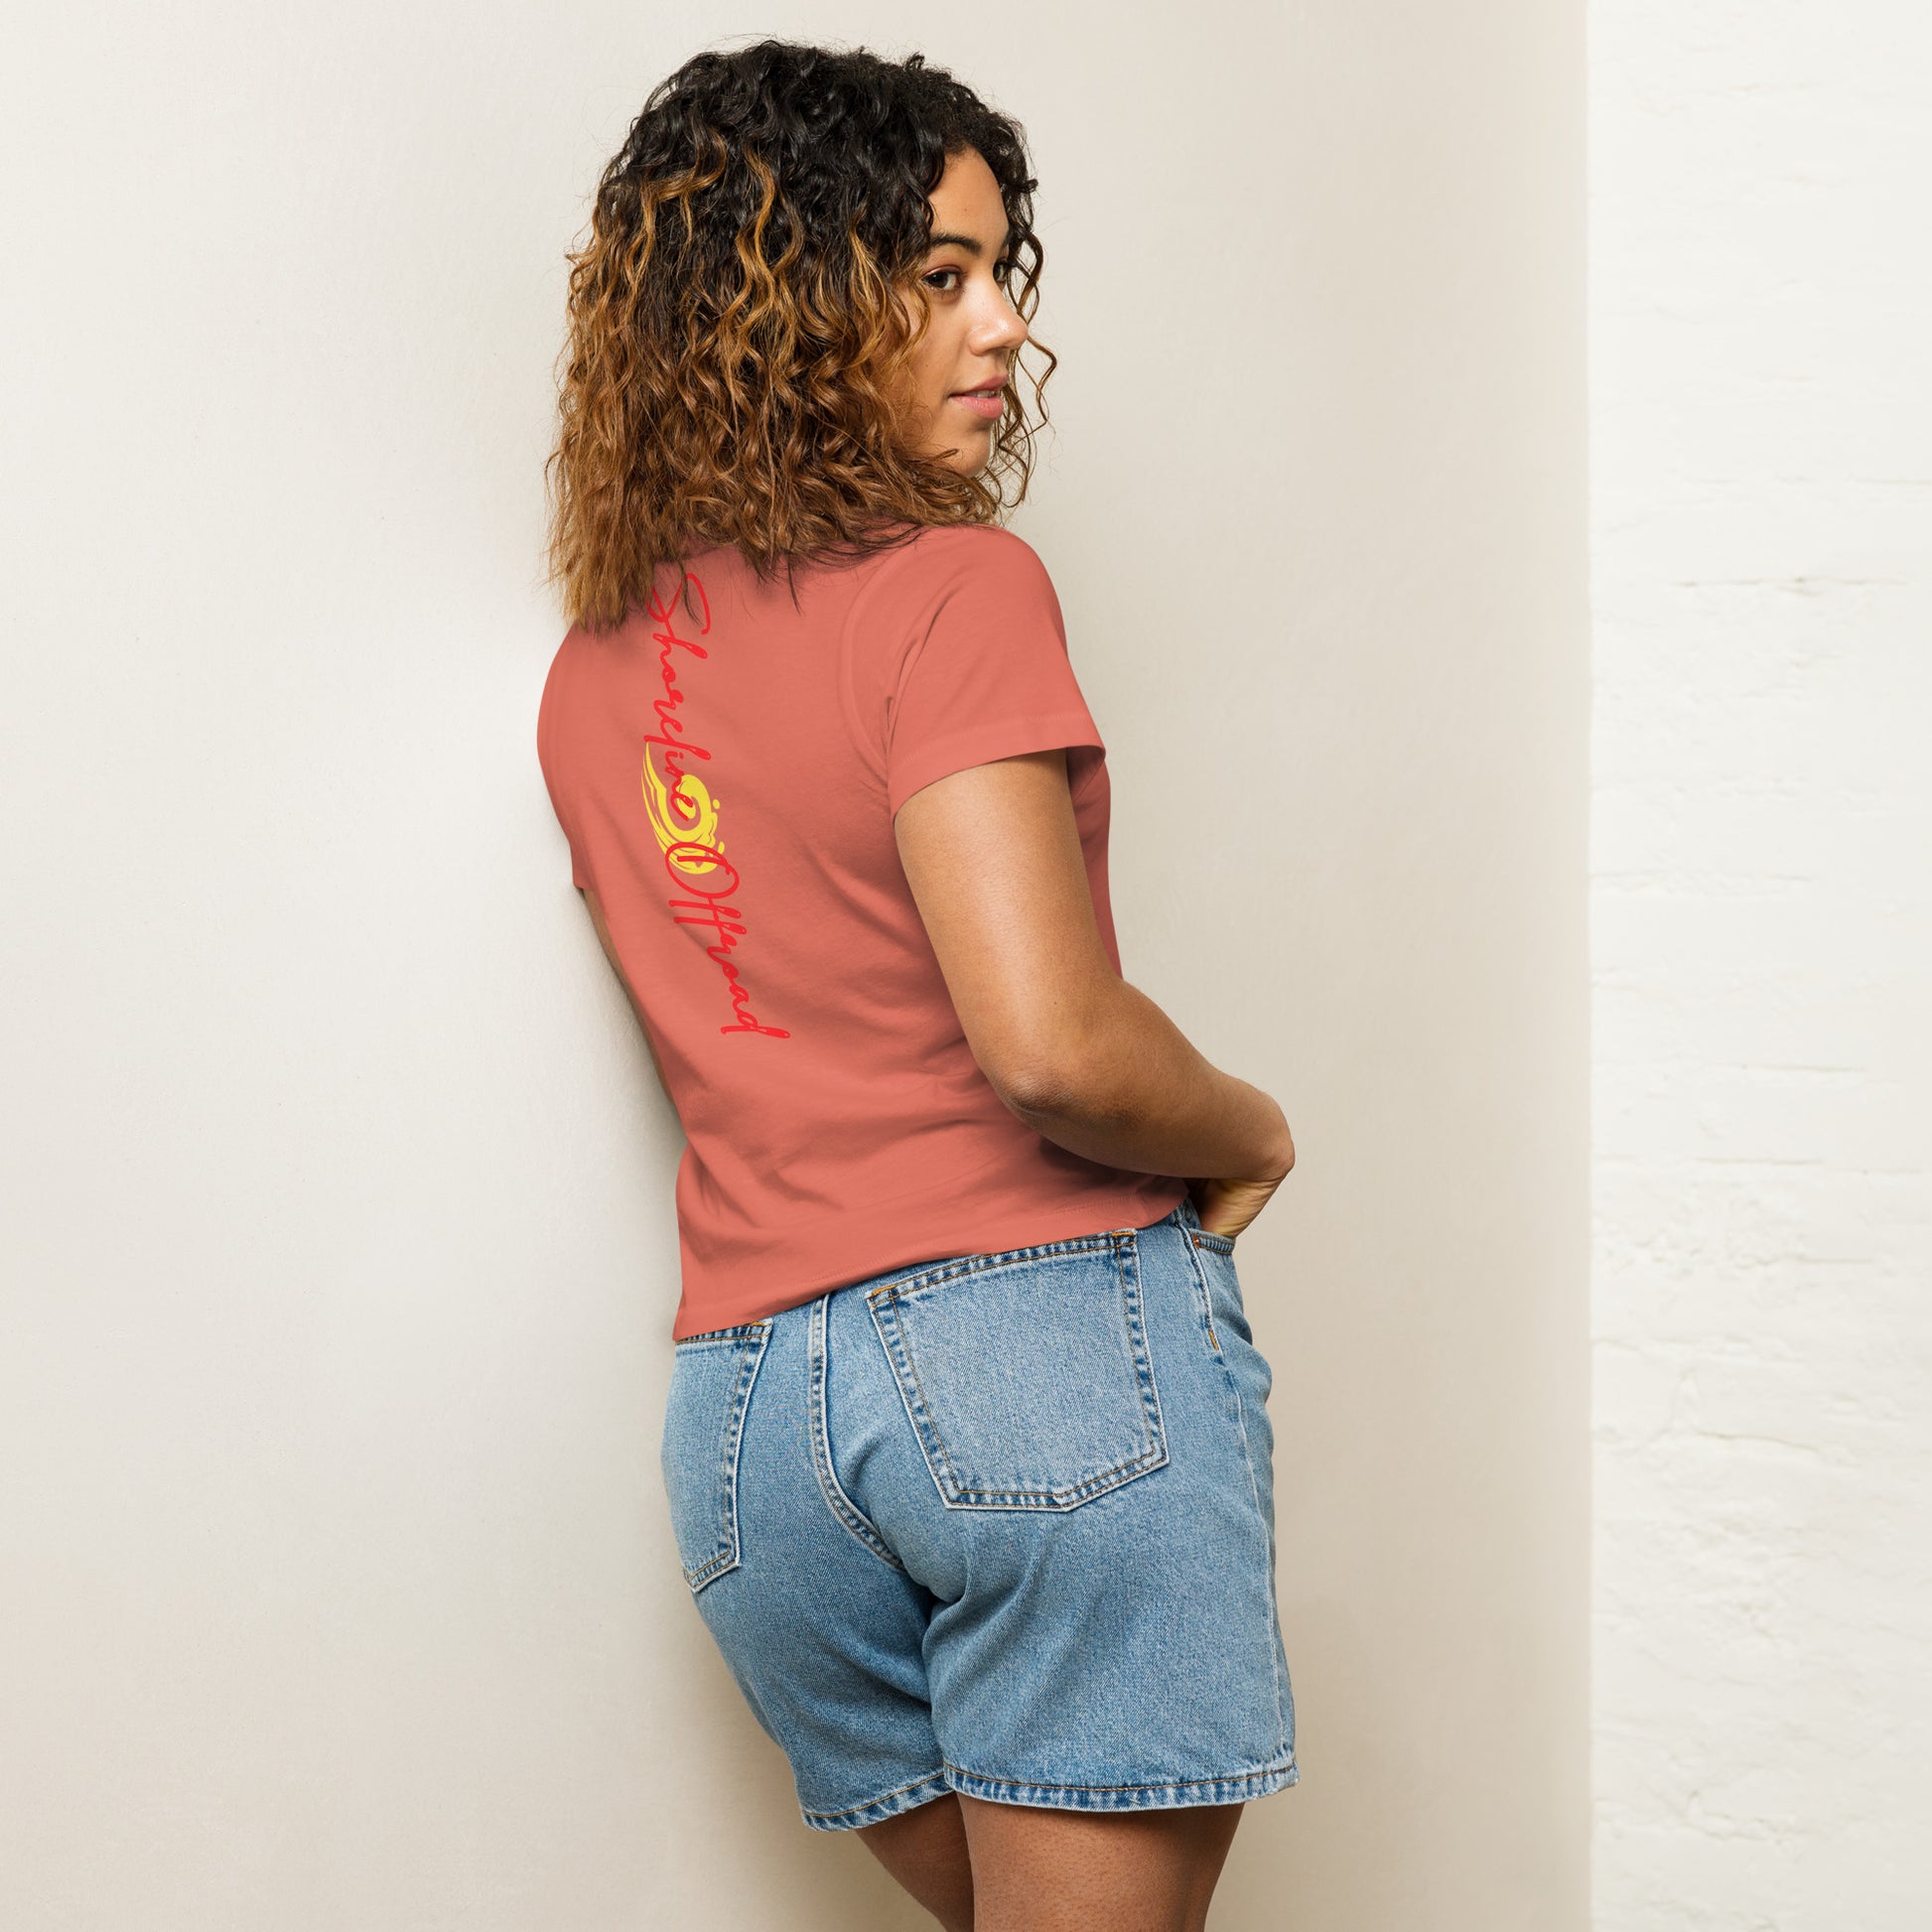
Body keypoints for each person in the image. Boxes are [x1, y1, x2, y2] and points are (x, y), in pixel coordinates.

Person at [535, 39, 1298, 1932]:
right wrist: (1250, 1122)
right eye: (937, 272)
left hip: (756, 1430)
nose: (1005, 324)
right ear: (783, 301)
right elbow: (1048, 1043)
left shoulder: (596, 672)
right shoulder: (948, 592)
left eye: (1000, 269)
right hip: (1035, 1375)